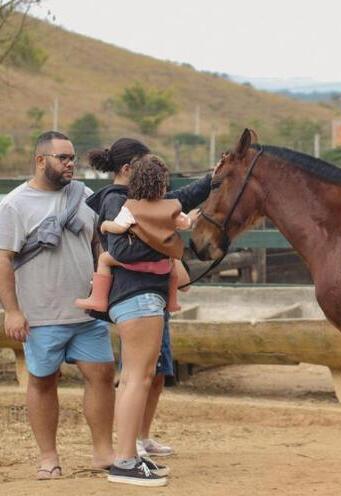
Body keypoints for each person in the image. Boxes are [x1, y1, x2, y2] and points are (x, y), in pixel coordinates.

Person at [85, 139, 212, 486]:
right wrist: (162, 244)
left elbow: (180, 200)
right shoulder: (116, 201)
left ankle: (128, 456)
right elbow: (121, 250)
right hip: (138, 299)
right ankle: (126, 460)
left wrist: (213, 177)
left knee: (135, 377)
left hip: (138, 299)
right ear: (128, 170)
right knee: (137, 378)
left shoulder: (136, 204)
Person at [0, 131, 115, 480]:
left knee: (102, 374)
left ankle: (103, 452)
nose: (70, 164)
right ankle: (48, 456)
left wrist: (104, 286)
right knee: (43, 380)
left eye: (72, 158)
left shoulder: (85, 196)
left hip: (87, 310)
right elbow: (3, 260)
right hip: (41, 313)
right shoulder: (14, 205)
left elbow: (99, 242)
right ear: (40, 161)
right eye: (62, 158)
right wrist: (13, 310)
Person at [75, 155, 192, 313]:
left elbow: (119, 227)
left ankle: (98, 298)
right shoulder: (169, 208)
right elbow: (185, 222)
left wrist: (105, 225)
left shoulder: (130, 208)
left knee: (104, 259)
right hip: (163, 265)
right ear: (164, 186)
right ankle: (172, 301)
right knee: (172, 263)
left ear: (134, 185)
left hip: (136, 265)